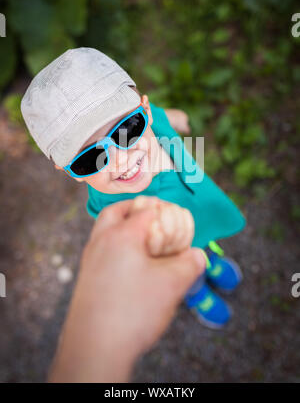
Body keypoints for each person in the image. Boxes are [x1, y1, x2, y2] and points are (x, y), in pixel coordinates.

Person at [21, 47, 246, 329]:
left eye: (127, 129)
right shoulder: (112, 210)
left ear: (146, 111)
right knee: (185, 262)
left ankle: (209, 256)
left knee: (204, 235)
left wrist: (175, 117)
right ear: (69, 172)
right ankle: (195, 289)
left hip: (197, 206)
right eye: (90, 158)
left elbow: (164, 115)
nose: (119, 160)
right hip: (172, 246)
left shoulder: (156, 121)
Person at [48, 198, 206, 383]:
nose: (119, 166)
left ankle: (209, 264)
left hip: (198, 233)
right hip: (169, 263)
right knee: (184, 273)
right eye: (90, 166)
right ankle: (196, 292)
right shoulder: (109, 209)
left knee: (203, 244)